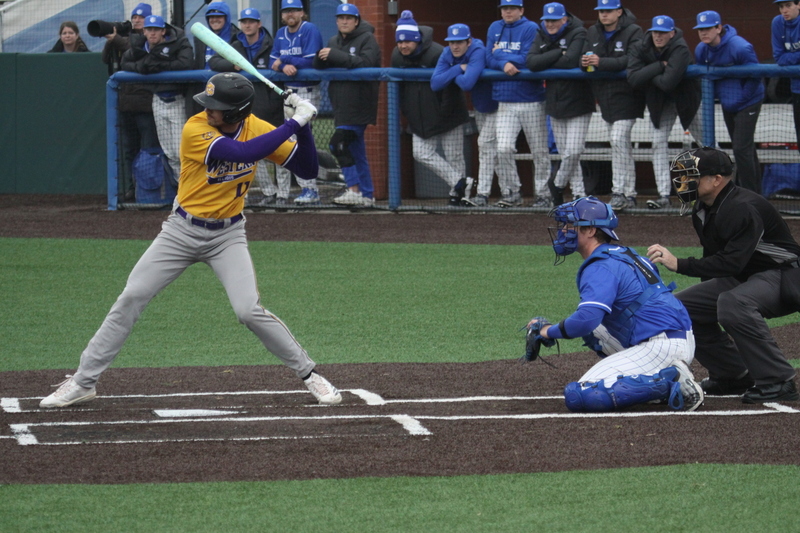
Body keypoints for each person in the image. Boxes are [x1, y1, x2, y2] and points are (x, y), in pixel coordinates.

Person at [40, 72, 342, 409]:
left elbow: (308, 168)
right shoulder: (195, 129)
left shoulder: (255, 126)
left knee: (248, 310)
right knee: (132, 296)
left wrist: (303, 126)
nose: (208, 110)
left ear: (236, 112)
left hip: (228, 235)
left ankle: (310, 374)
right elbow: (241, 154)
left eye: (216, 107)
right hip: (180, 232)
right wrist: (292, 124)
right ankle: (83, 381)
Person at [647, 147, 800, 403]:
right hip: (748, 275)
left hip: (785, 275)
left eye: (691, 175)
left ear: (717, 179)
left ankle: (778, 380)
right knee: (679, 307)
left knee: (732, 302)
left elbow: (730, 263)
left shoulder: (742, 207)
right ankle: (733, 374)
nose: (683, 182)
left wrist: (680, 263)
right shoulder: (703, 208)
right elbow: (716, 263)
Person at [534, 196, 701, 412]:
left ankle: (671, 381)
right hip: (678, 336)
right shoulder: (627, 254)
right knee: (596, 330)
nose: (564, 230)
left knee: (582, 394)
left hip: (661, 344)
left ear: (591, 231)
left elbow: (585, 320)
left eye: (570, 225)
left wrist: (547, 331)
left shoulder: (600, 266)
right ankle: (656, 374)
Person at [210, 7, 287, 208]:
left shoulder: (270, 44)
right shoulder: (236, 44)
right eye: (244, 21)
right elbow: (214, 61)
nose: (247, 25)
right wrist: (233, 65)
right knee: (253, 153)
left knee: (280, 150)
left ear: (259, 24)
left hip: (272, 105)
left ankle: (284, 195)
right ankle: (268, 192)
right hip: (248, 107)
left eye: (251, 21)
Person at [391, 11, 470, 207]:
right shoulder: (397, 56)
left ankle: (460, 196)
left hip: (448, 115)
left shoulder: (438, 53)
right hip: (420, 118)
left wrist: (443, 115)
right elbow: (398, 91)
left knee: (455, 156)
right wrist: (407, 113)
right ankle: (458, 182)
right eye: (400, 42)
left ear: (417, 40)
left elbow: (451, 89)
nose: (403, 46)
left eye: (407, 42)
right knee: (421, 153)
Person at [627, 15, 702, 210]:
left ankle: (723, 191)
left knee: (708, 144)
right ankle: (663, 195)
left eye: (662, 33)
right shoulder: (643, 46)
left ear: (672, 33)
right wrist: (659, 67)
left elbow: (668, 83)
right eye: (655, 33)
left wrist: (648, 74)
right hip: (660, 103)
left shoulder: (680, 47)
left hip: (688, 101)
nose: (658, 36)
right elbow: (634, 79)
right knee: (658, 143)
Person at [526, 2, 593, 207]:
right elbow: (531, 62)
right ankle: (579, 195)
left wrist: (550, 57)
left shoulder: (579, 32)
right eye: (547, 20)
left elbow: (571, 61)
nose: (551, 24)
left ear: (564, 19)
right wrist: (558, 53)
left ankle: (556, 184)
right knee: (566, 155)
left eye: (555, 20)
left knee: (573, 151)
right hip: (554, 102)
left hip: (579, 101)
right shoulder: (542, 34)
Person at [313, 3, 380, 207]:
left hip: (359, 104)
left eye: (349, 18)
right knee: (356, 151)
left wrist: (335, 55)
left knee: (338, 144)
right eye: (341, 18)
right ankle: (367, 196)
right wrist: (320, 59)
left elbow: (366, 64)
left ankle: (353, 190)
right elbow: (323, 64)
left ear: (356, 21)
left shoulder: (367, 38)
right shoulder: (334, 40)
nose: (344, 21)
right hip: (341, 104)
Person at [431, 23, 504, 207]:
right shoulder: (448, 53)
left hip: (500, 104)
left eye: (460, 42)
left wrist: (450, 73)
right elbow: (435, 83)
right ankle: (505, 191)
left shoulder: (477, 49)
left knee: (490, 146)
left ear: (468, 41)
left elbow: (467, 83)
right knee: (492, 150)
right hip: (481, 106)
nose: (455, 46)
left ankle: (488, 193)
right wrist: (457, 69)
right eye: (452, 42)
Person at [582, 0, 645, 211]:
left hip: (628, 96)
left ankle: (619, 191)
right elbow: (584, 57)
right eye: (601, 11)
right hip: (605, 98)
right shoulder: (592, 31)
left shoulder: (634, 31)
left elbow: (633, 60)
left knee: (618, 140)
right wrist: (583, 63)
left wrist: (602, 63)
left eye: (608, 11)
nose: (604, 15)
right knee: (621, 145)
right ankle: (630, 193)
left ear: (619, 11)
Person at [486, 0, 549, 207]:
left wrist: (499, 54)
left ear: (521, 10)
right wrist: (503, 62)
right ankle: (512, 191)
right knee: (503, 148)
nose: (508, 11)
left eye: (512, 8)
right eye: (505, 8)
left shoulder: (531, 28)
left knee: (539, 150)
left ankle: (543, 194)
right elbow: (488, 57)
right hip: (504, 99)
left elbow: (528, 59)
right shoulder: (495, 27)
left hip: (531, 99)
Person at [694, 10, 764, 194]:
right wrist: (725, 100)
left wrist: (741, 100)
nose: (703, 33)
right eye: (700, 29)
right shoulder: (702, 49)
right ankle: (756, 192)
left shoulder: (740, 47)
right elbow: (703, 77)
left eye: (708, 28)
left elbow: (756, 76)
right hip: (728, 102)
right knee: (742, 147)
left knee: (741, 147)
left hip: (749, 100)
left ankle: (749, 193)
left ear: (718, 28)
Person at [121, 15, 193, 182]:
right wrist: (141, 67)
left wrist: (159, 66)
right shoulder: (141, 45)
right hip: (158, 101)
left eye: (156, 30)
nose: (152, 33)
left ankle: (191, 189)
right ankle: (180, 190)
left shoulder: (177, 42)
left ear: (163, 31)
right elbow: (125, 62)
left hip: (177, 101)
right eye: (149, 30)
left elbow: (186, 63)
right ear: (144, 31)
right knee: (169, 152)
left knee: (181, 151)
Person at [100, 3, 159, 202]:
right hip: (126, 103)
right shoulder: (122, 38)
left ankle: (151, 190)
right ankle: (133, 188)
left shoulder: (150, 38)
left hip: (146, 104)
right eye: (134, 17)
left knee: (149, 148)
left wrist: (116, 39)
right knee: (129, 150)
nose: (136, 20)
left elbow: (133, 47)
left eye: (141, 17)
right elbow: (104, 59)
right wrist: (110, 38)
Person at [270, 0, 325, 206]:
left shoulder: (309, 29)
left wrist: (283, 63)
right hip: (288, 93)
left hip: (307, 92)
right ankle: (300, 190)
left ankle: (311, 189)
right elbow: (271, 62)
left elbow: (311, 60)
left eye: (294, 10)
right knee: (290, 140)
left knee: (302, 139)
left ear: (302, 12)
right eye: (286, 11)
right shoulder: (281, 33)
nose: (290, 14)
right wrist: (283, 65)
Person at [188, 2, 239, 116]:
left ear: (226, 17)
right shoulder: (201, 37)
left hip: (226, 93)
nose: (214, 20)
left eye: (219, 16)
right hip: (204, 91)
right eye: (211, 17)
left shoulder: (236, 37)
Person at [771, 1, 800, 151]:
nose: (784, 10)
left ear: (798, 4)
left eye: (788, 5)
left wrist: (791, 56)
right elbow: (779, 58)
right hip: (797, 89)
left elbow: (785, 57)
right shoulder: (777, 22)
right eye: (781, 7)